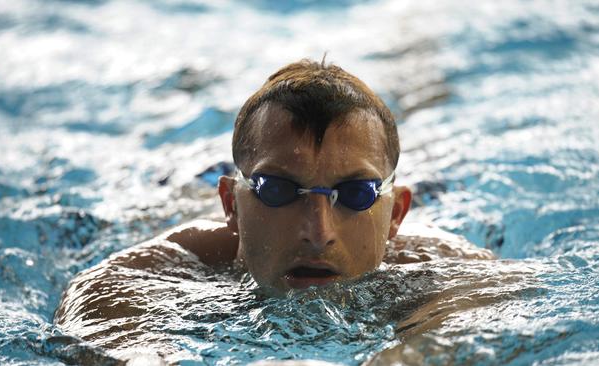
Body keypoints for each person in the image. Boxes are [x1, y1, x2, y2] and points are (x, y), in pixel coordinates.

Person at [54, 59, 493, 331]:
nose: (317, 233)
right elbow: (99, 309)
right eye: (279, 190)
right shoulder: (177, 266)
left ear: (396, 214)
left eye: (355, 193)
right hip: (180, 190)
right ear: (230, 205)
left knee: (429, 109)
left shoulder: (445, 267)